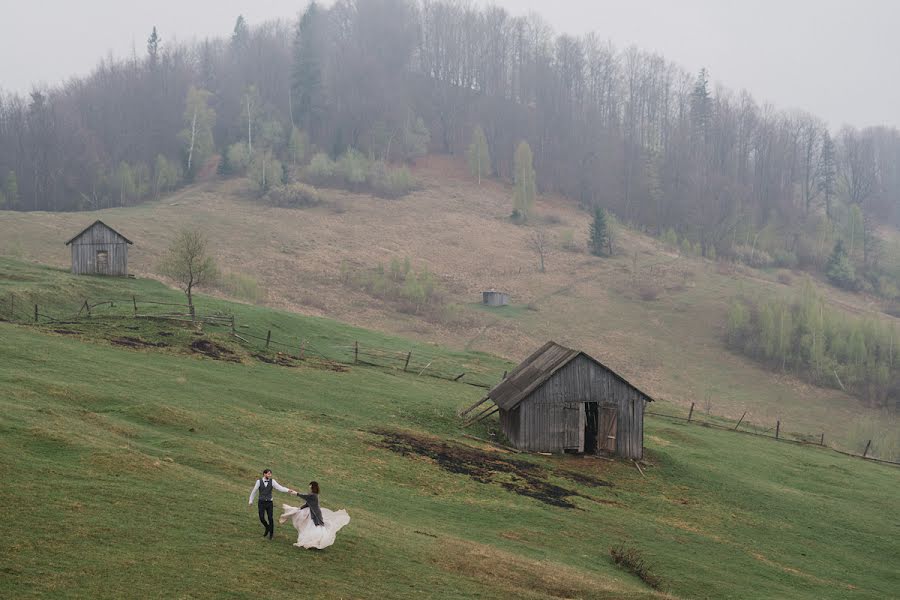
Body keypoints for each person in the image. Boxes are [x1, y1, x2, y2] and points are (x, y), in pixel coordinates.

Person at [279, 481, 350, 550]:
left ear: (312, 487)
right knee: (311, 527)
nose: (309, 487)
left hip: (315, 514)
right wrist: (299, 508)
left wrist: (296, 493)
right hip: (313, 513)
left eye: (310, 486)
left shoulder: (313, 495)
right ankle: (312, 542)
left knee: (316, 527)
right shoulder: (312, 495)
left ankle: (316, 542)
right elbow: (307, 504)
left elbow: (305, 497)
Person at [248, 469, 295, 540]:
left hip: (269, 503)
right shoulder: (258, 482)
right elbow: (254, 491)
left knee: (270, 518)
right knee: (261, 518)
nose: (269, 475)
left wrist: (288, 490)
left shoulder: (272, 481)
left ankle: (271, 534)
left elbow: (280, 488)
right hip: (261, 502)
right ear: (264, 474)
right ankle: (267, 528)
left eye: (270, 474)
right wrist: (251, 500)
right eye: (268, 474)